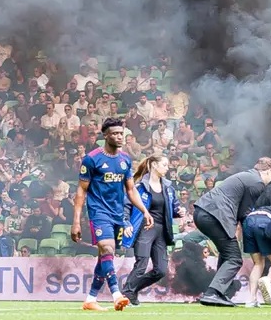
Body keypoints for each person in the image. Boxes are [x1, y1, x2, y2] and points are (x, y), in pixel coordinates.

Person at [71, 117, 154, 312]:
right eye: (115, 133)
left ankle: (90, 299)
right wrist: (76, 222)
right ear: (105, 136)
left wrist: (144, 210)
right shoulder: (92, 159)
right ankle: (117, 295)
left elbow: (131, 190)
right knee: (107, 249)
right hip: (99, 213)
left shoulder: (125, 160)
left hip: (118, 214)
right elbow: (81, 191)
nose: (119, 136)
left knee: (105, 256)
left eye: (121, 133)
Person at [193, 157, 271, 307]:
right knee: (234, 258)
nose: (270, 180)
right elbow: (244, 213)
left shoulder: (247, 176)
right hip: (215, 215)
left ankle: (220, 293)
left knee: (226, 254)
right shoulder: (257, 183)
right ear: (269, 171)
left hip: (202, 212)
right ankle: (212, 293)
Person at [121, 155, 186, 305]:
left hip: (162, 231)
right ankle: (126, 294)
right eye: (164, 164)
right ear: (154, 165)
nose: (167, 168)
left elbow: (173, 207)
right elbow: (126, 205)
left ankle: (131, 290)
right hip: (144, 228)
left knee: (161, 270)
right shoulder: (139, 186)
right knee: (141, 264)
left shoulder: (168, 187)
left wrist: (178, 211)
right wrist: (126, 224)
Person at [242, 205, 271, 307]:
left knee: (258, 263)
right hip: (264, 221)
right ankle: (268, 280)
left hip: (248, 222)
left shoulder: (259, 206)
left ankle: (251, 299)